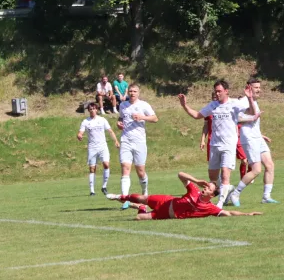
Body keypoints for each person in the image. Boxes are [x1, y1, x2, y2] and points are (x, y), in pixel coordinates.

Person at [178, 80, 255, 208]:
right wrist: (184, 105)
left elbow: (251, 112)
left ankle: (219, 204)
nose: (217, 93)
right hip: (215, 145)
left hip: (229, 145)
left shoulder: (234, 103)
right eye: (216, 91)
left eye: (219, 91)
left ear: (226, 91)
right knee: (213, 178)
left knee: (225, 173)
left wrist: (250, 98)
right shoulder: (212, 105)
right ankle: (228, 189)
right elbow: (197, 115)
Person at [106, 172, 262, 220]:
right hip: (166, 201)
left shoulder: (209, 208)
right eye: (206, 186)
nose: (205, 188)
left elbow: (229, 213)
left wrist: (248, 213)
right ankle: (122, 196)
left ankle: (141, 209)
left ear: (212, 195)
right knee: (142, 198)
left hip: (166, 214)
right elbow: (180, 174)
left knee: (139, 219)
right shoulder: (194, 190)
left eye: (208, 188)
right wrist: (197, 180)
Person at [230, 78, 278, 205]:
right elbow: (239, 118)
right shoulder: (242, 101)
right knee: (256, 170)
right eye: (256, 87)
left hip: (257, 137)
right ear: (248, 87)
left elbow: (252, 121)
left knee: (270, 165)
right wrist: (252, 117)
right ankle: (235, 194)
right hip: (249, 138)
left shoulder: (254, 102)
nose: (259, 90)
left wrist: (262, 135)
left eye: (259, 87)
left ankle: (266, 197)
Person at [116, 84, 159, 210]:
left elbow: (155, 119)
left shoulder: (144, 105)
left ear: (138, 93)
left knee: (140, 172)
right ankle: (125, 198)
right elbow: (121, 118)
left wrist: (142, 117)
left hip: (139, 141)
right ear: (127, 92)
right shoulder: (123, 105)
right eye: (130, 91)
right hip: (126, 140)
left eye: (135, 91)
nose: (132, 93)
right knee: (125, 167)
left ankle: (145, 192)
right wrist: (119, 124)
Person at [199, 92, 251, 181]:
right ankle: (220, 185)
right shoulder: (210, 110)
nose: (216, 98)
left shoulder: (230, 107)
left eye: (217, 96)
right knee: (216, 167)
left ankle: (244, 178)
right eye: (214, 97)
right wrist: (203, 140)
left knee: (244, 160)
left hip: (232, 139)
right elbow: (206, 126)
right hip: (213, 141)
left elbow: (240, 119)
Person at [77, 103, 120, 196]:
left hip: (102, 146)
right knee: (92, 168)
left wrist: (116, 141)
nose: (92, 110)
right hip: (92, 147)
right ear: (88, 110)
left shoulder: (102, 120)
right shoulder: (85, 121)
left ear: (97, 110)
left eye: (94, 108)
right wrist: (79, 135)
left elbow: (110, 131)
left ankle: (104, 186)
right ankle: (92, 191)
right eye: (90, 109)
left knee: (106, 164)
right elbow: (80, 132)